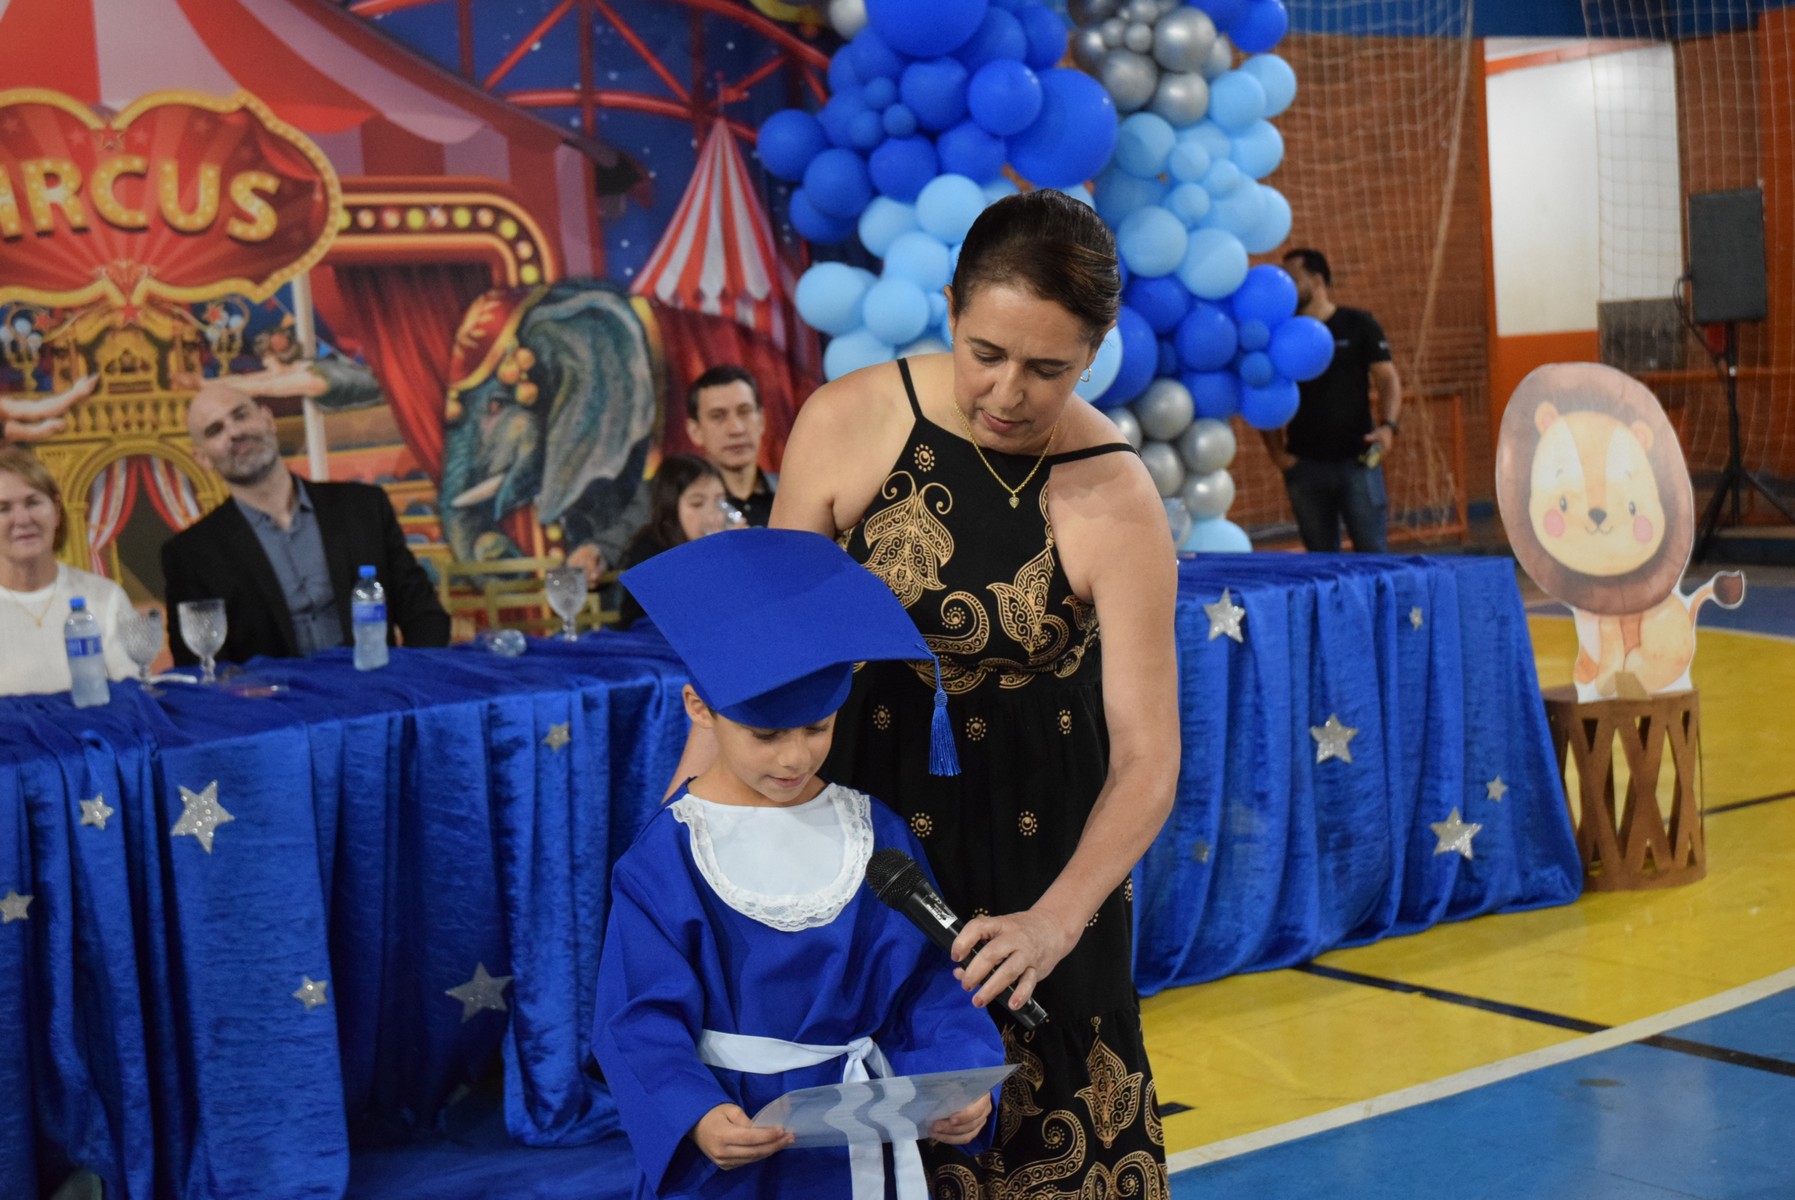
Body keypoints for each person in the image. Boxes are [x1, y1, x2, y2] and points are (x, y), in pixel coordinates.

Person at [753, 189, 1179, 1194]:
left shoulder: (1113, 496)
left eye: (1049, 368)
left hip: (1044, 866)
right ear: (949, 308)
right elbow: (760, 670)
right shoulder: (847, 422)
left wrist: (1056, 921)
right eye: (986, 351)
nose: (1009, 391)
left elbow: (1149, 755)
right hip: (864, 843)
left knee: (1048, 1137)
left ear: (1096, 352)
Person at [593, 528, 1007, 1199]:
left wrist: (957, 1075)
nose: (794, 758)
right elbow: (637, 1019)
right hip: (729, 1141)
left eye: (817, 729)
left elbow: (926, 984)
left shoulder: (872, 831)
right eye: (765, 735)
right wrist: (692, 1114)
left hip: (854, 1141)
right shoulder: (666, 857)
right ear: (701, 708)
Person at [162, 382, 449, 665]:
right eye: (216, 430)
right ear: (202, 458)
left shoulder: (363, 508)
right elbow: (199, 663)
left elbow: (424, 615)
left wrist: (408, 681)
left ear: (268, 419)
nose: (235, 432)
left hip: (375, 698)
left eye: (241, 416)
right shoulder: (191, 554)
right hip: (274, 708)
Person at [1260, 248, 1403, 553]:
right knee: (1320, 563)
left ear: (1316, 280)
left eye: (1293, 279)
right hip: (1304, 465)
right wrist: (1277, 453)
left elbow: (1388, 378)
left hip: (1358, 461)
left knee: (1372, 555)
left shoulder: (1358, 323)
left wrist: (1389, 427)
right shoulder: (1279, 335)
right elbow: (1265, 390)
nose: (1286, 287)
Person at [0, 445, 136, 696]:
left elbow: (134, 696)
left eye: (33, 502)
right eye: (3, 508)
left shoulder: (106, 598)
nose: (22, 520)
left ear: (57, 510)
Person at [614, 454, 728, 630]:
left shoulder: (724, 549)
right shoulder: (650, 549)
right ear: (671, 508)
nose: (713, 515)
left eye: (720, 502)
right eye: (697, 504)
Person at [685, 365, 777, 527]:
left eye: (744, 411)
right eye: (718, 416)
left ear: (762, 421)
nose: (736, 429)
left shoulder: (793, 494)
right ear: (695, 431)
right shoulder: (678, 508)